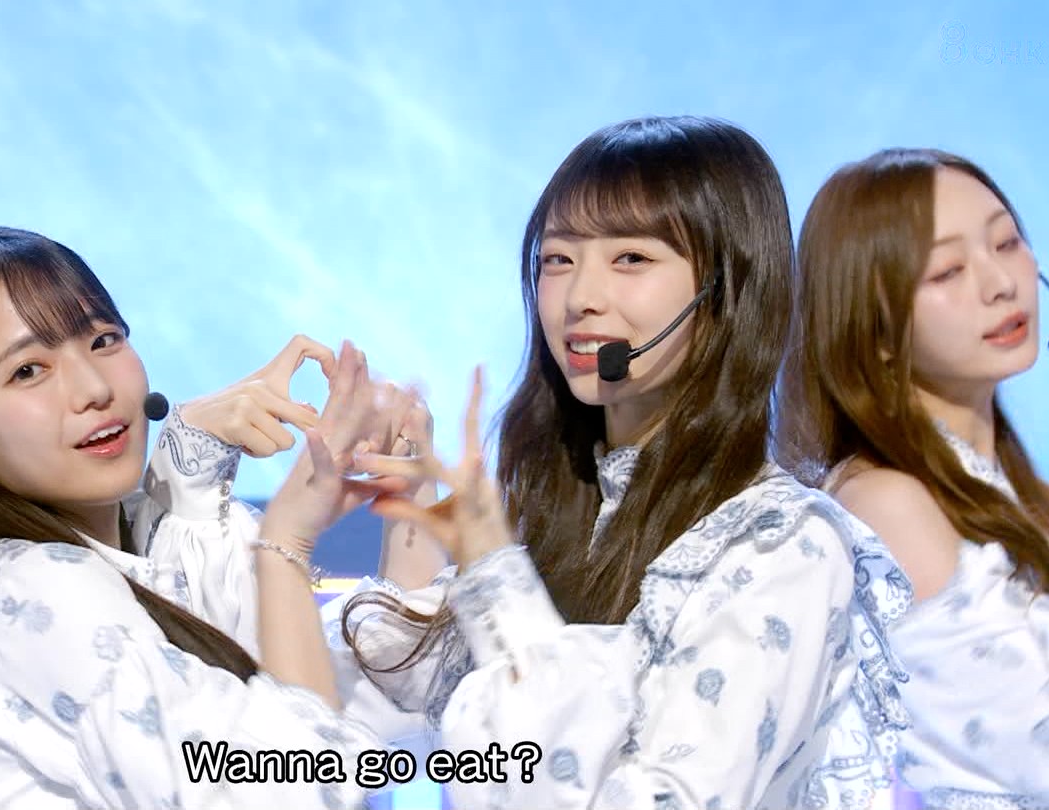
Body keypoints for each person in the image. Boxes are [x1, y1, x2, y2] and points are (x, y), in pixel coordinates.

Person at [339, 116, 913, 809]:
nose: (581, 297)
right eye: (558, 259)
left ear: (727, 289)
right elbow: (385, 709)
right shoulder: (566, 506)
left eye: (631, 259)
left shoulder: (785, 543)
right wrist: (395, 497)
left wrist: (494, 576)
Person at [0, 226, 418, 808]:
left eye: (103, 340)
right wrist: (284, 544)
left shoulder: (146, 550)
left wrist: (412, 493)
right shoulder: (31, 592)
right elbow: (301, 785)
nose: (94, 388)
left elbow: (373, 708)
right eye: (28, 370)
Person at [780, 147, 1049, 808]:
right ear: (876, 329)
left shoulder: (1032, 498)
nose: (999, 283)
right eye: (947, 270)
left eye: (1006, 243)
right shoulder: (885, 505)